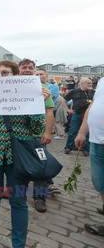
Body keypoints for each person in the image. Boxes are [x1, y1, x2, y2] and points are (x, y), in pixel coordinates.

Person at [0, 60, 45, 248]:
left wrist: (35, 103)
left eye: (5, 73)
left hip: (19, 155)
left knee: (18, 201)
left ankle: (18, 243)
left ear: (15, 75)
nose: (0, 76)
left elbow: (38, 128)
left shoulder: (28, 93)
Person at [19, 59, 55, 213]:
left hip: (36, 134)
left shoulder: (42, 88)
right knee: (18, 165)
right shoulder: (12, 87)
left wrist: (47, 131)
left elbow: (49, 112)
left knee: (40, 165)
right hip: (18, 133)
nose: (27, 70)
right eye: (24, 67)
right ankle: (18, 192)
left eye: (30, 68)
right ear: (19, 69)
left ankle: (40, 197)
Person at [75, 77, 104, 236]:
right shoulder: (102, 82)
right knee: (100, 181)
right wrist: (81, 132)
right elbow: (93, 106)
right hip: (97, 140)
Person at [64, 77, 95, 156]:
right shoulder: (74, 91)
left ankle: (86, 149)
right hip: (77, 114)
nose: (90, 85)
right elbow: (63, 99)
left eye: (91, 83)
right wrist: (67, 109)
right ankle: (68, 147)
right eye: (88, 83)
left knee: (87, 133)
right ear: (82, 84)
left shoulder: (93, 92)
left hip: (88, 115)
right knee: (72, 131)